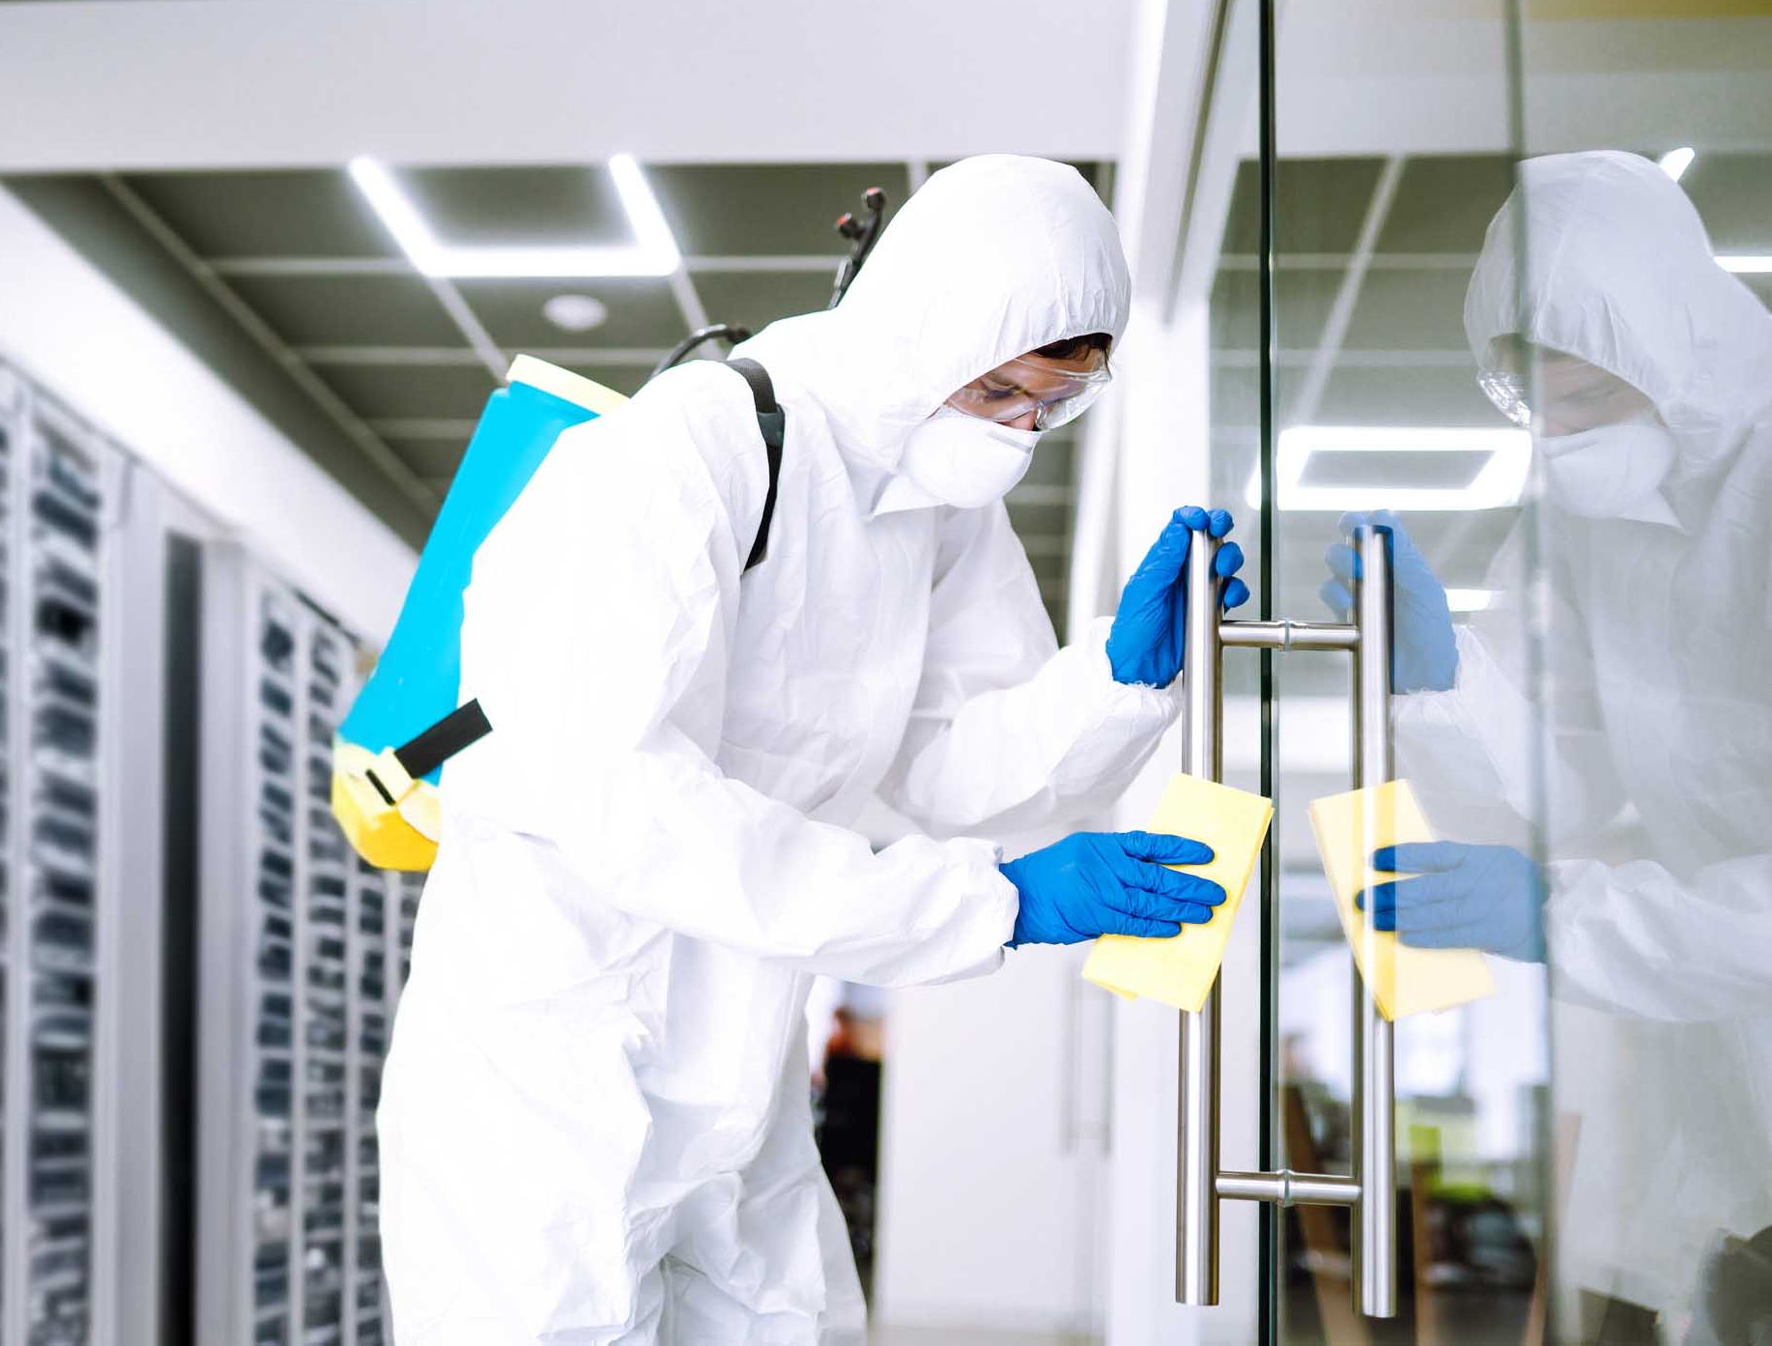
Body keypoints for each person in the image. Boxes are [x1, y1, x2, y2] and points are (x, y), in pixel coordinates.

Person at [378, 154, 1246, 1342]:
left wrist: (1110, 682)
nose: (1018, 434)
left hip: (740, 1051)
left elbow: (944, 766)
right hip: (554, 1052)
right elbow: (628, 804)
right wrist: (986, 903)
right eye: (1003, 393)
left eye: (1050, 408)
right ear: (926, 332)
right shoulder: (684, 454)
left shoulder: (939, 503)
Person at [1322, 150, 1772, 1329]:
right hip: (1727, 1051)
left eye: (1585, 402)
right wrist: (1437, 673)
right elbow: (1547, 779)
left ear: (1672, 359)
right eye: (1533, 406)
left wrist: (1558, 916)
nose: (1560, 439)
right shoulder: (1588, 523)